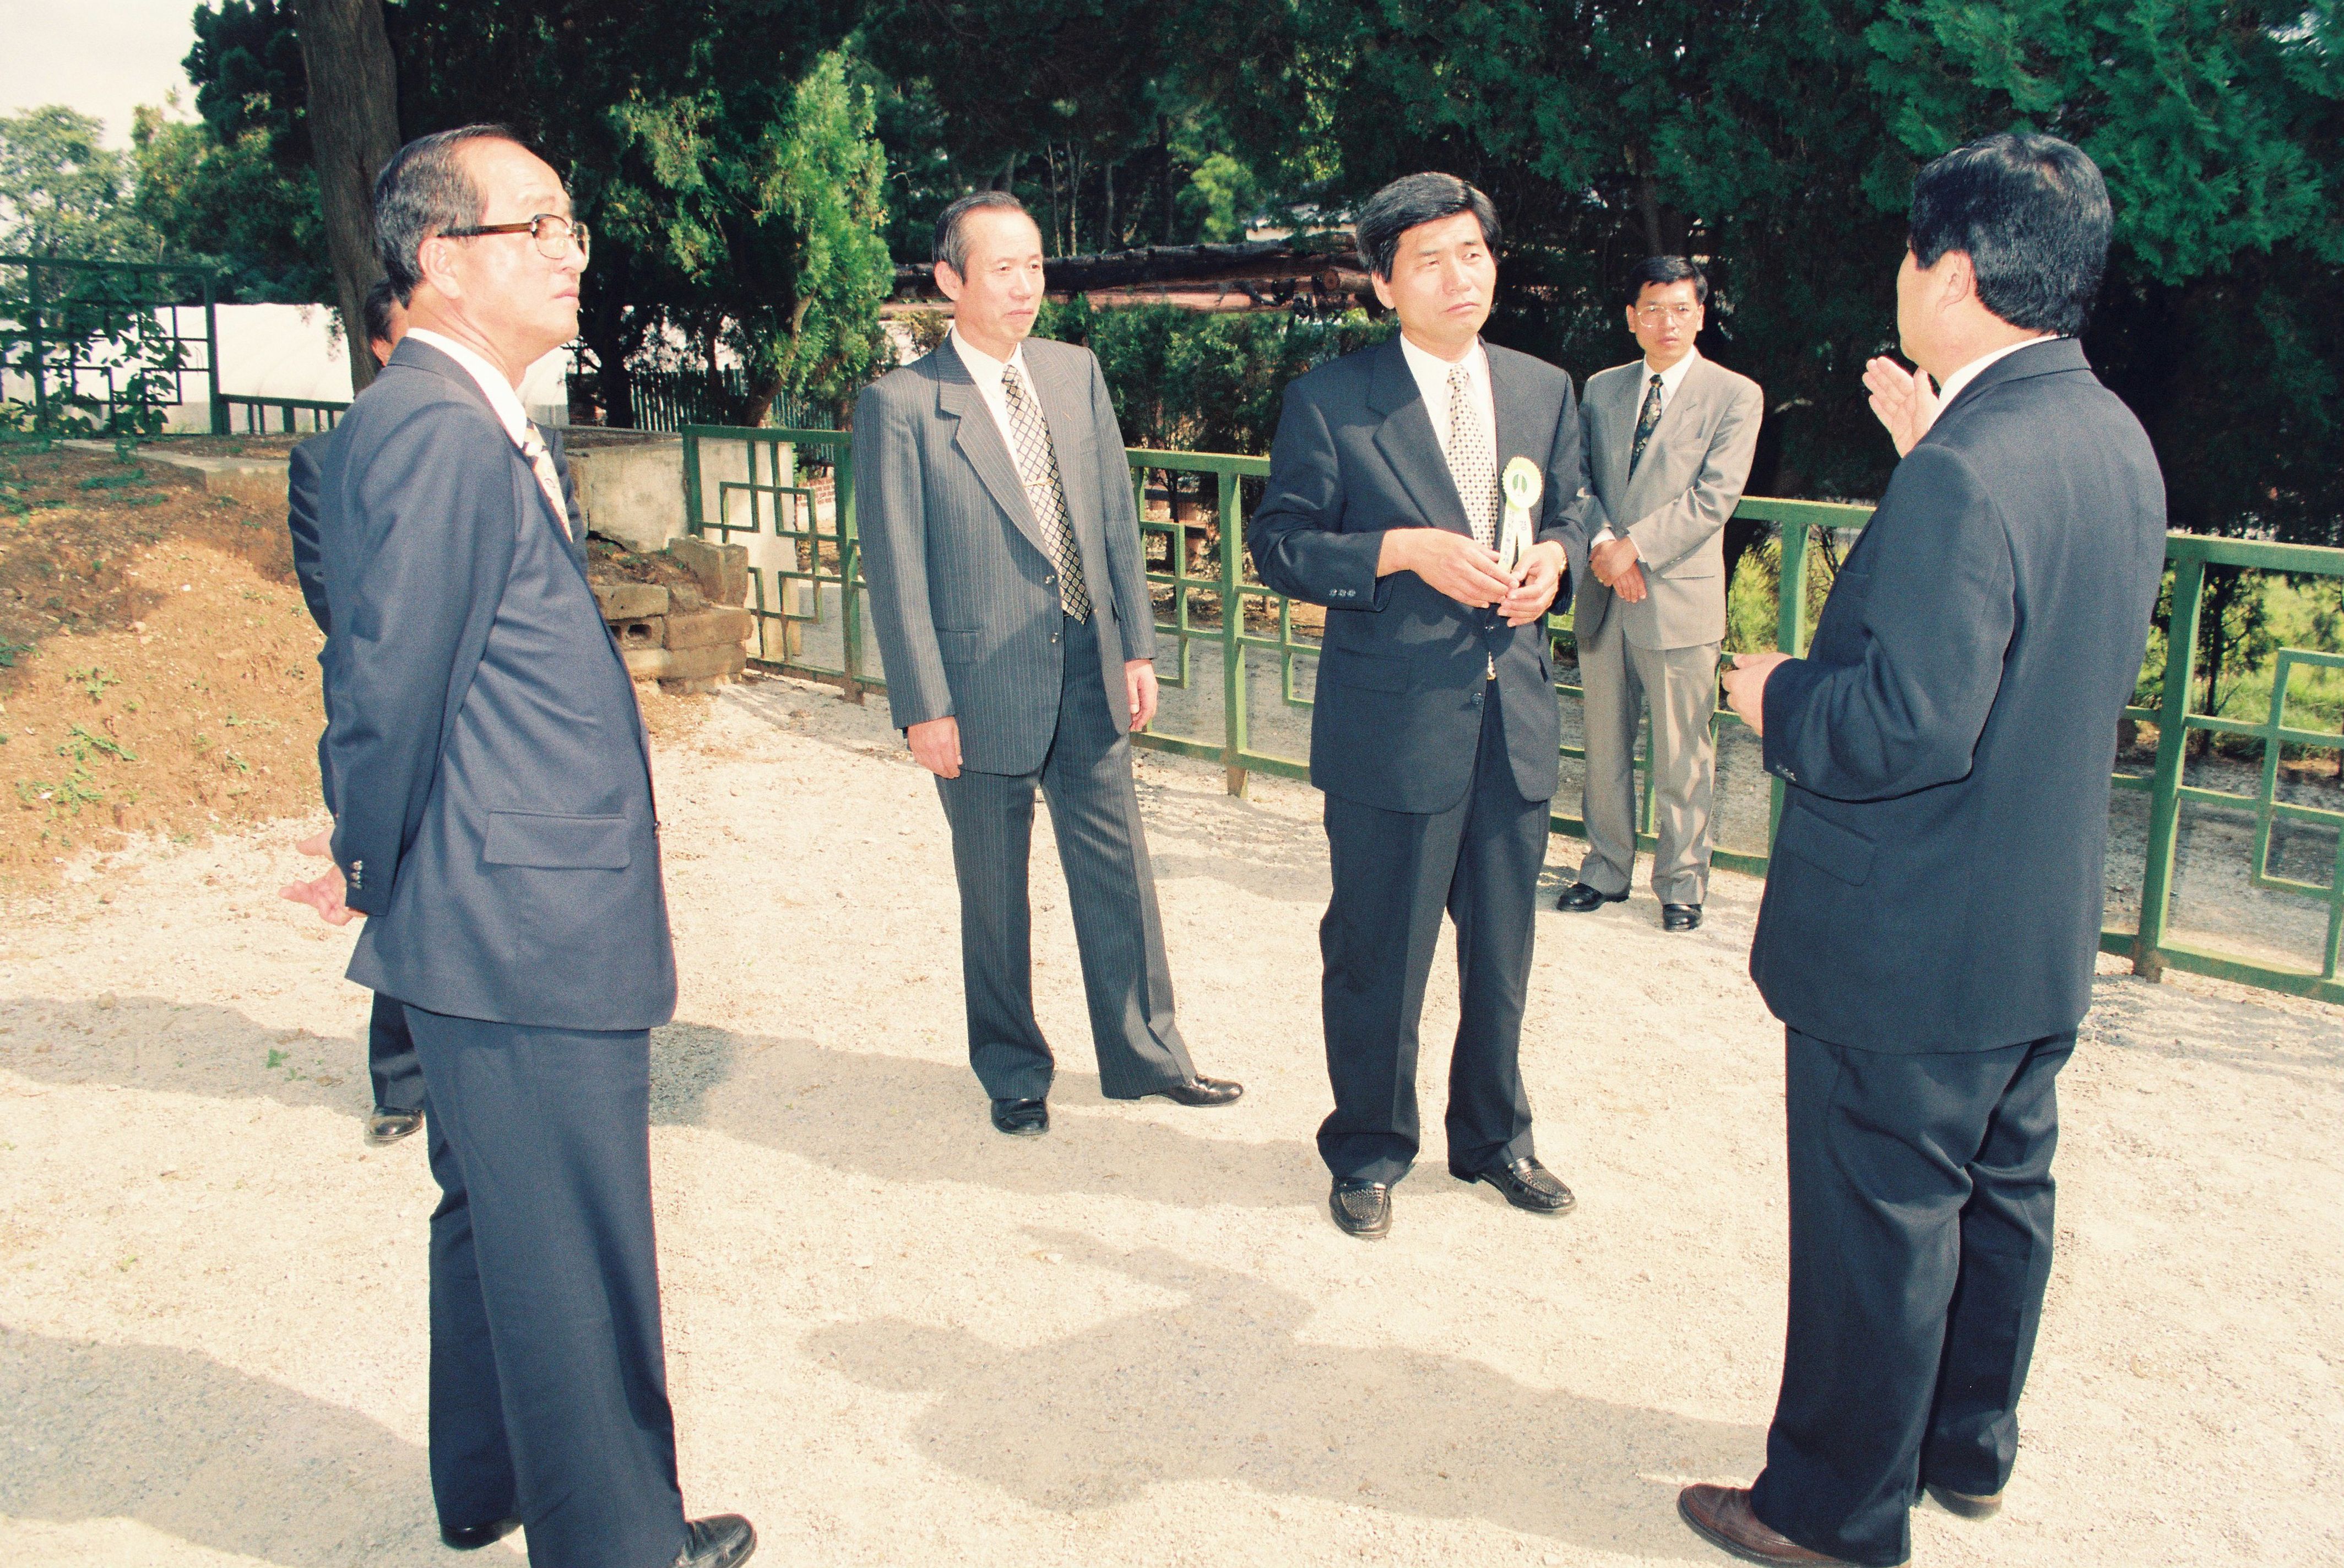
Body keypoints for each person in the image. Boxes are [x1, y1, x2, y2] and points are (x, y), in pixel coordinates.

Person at [1683, 132, 2166, 1567]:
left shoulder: (1970, 468)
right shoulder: (2107, 434)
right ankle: (1964, 1444)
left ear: (1950, 272)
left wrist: (1777, 692)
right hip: (2030, 922)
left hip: (1908, 937)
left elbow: (1903, 725)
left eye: (1910, 253)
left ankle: (1831, 1508)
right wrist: (1929, 457)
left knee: (1880, 1224)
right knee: (2002, 1195)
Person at [284, 124, 753, 1568]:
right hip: (523, 915)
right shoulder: (436, 424)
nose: (568, 253)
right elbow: (388, 677)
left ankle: (487, 1478)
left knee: (500, 1214)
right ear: (440, 257)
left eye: (570, 226)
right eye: (534, 226)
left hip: (495, 901)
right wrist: (366, 860)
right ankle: (618, 1540)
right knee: (576, 1247)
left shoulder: (461, 414)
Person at [854, 190, 1242, 1138]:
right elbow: (896, 568)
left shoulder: (1074, 372)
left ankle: (1148, 1055)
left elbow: (1112, 516)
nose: (1025, 286)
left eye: (1033, 266)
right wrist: (924, 704)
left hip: (1087, 664)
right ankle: (1013, 1068)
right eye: (1002, 269)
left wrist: (1137, 645)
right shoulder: (902, 405)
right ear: (949, 280)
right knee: (994, 889)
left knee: (1118, 870)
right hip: (976, 685)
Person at [1246, 172, 1589, 1241]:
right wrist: (1398, 550)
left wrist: (1556, 561)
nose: (1458, 276)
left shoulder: (1543, 388)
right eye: (1429, 260)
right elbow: (1280, 543)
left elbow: (1576, 507)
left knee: (1502, 952)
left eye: (1472, 253)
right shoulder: (1332, 399)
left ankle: (1493, 1139)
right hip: (1391, 726)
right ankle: (1367, 1146)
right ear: (1386, 283)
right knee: (1378, 953)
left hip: (1511, 716)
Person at [284, 279, 585, 1147]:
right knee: (412, 890)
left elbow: (565, 576)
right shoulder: (332, 458)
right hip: (412, 704)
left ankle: (512, 1063)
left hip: (518, 717)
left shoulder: (532, 444)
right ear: (385, 348)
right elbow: (344, 602)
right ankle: (402, 1077)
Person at [1555, 257, 1762, 932]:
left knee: (1681, 754)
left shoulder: (1734, 395)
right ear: (1630, 317)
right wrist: (1604, 546)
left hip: (1677, 598)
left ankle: (1680, 884)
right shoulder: (1602, 388)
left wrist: (1634, 548)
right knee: (1604, 747)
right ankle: (1604, 869)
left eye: (1679, 309)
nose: (1665, 322)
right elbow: (1576, 476)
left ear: (1700, 316)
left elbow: (1714, 497)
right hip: (1607, 592)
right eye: (1651, 308)